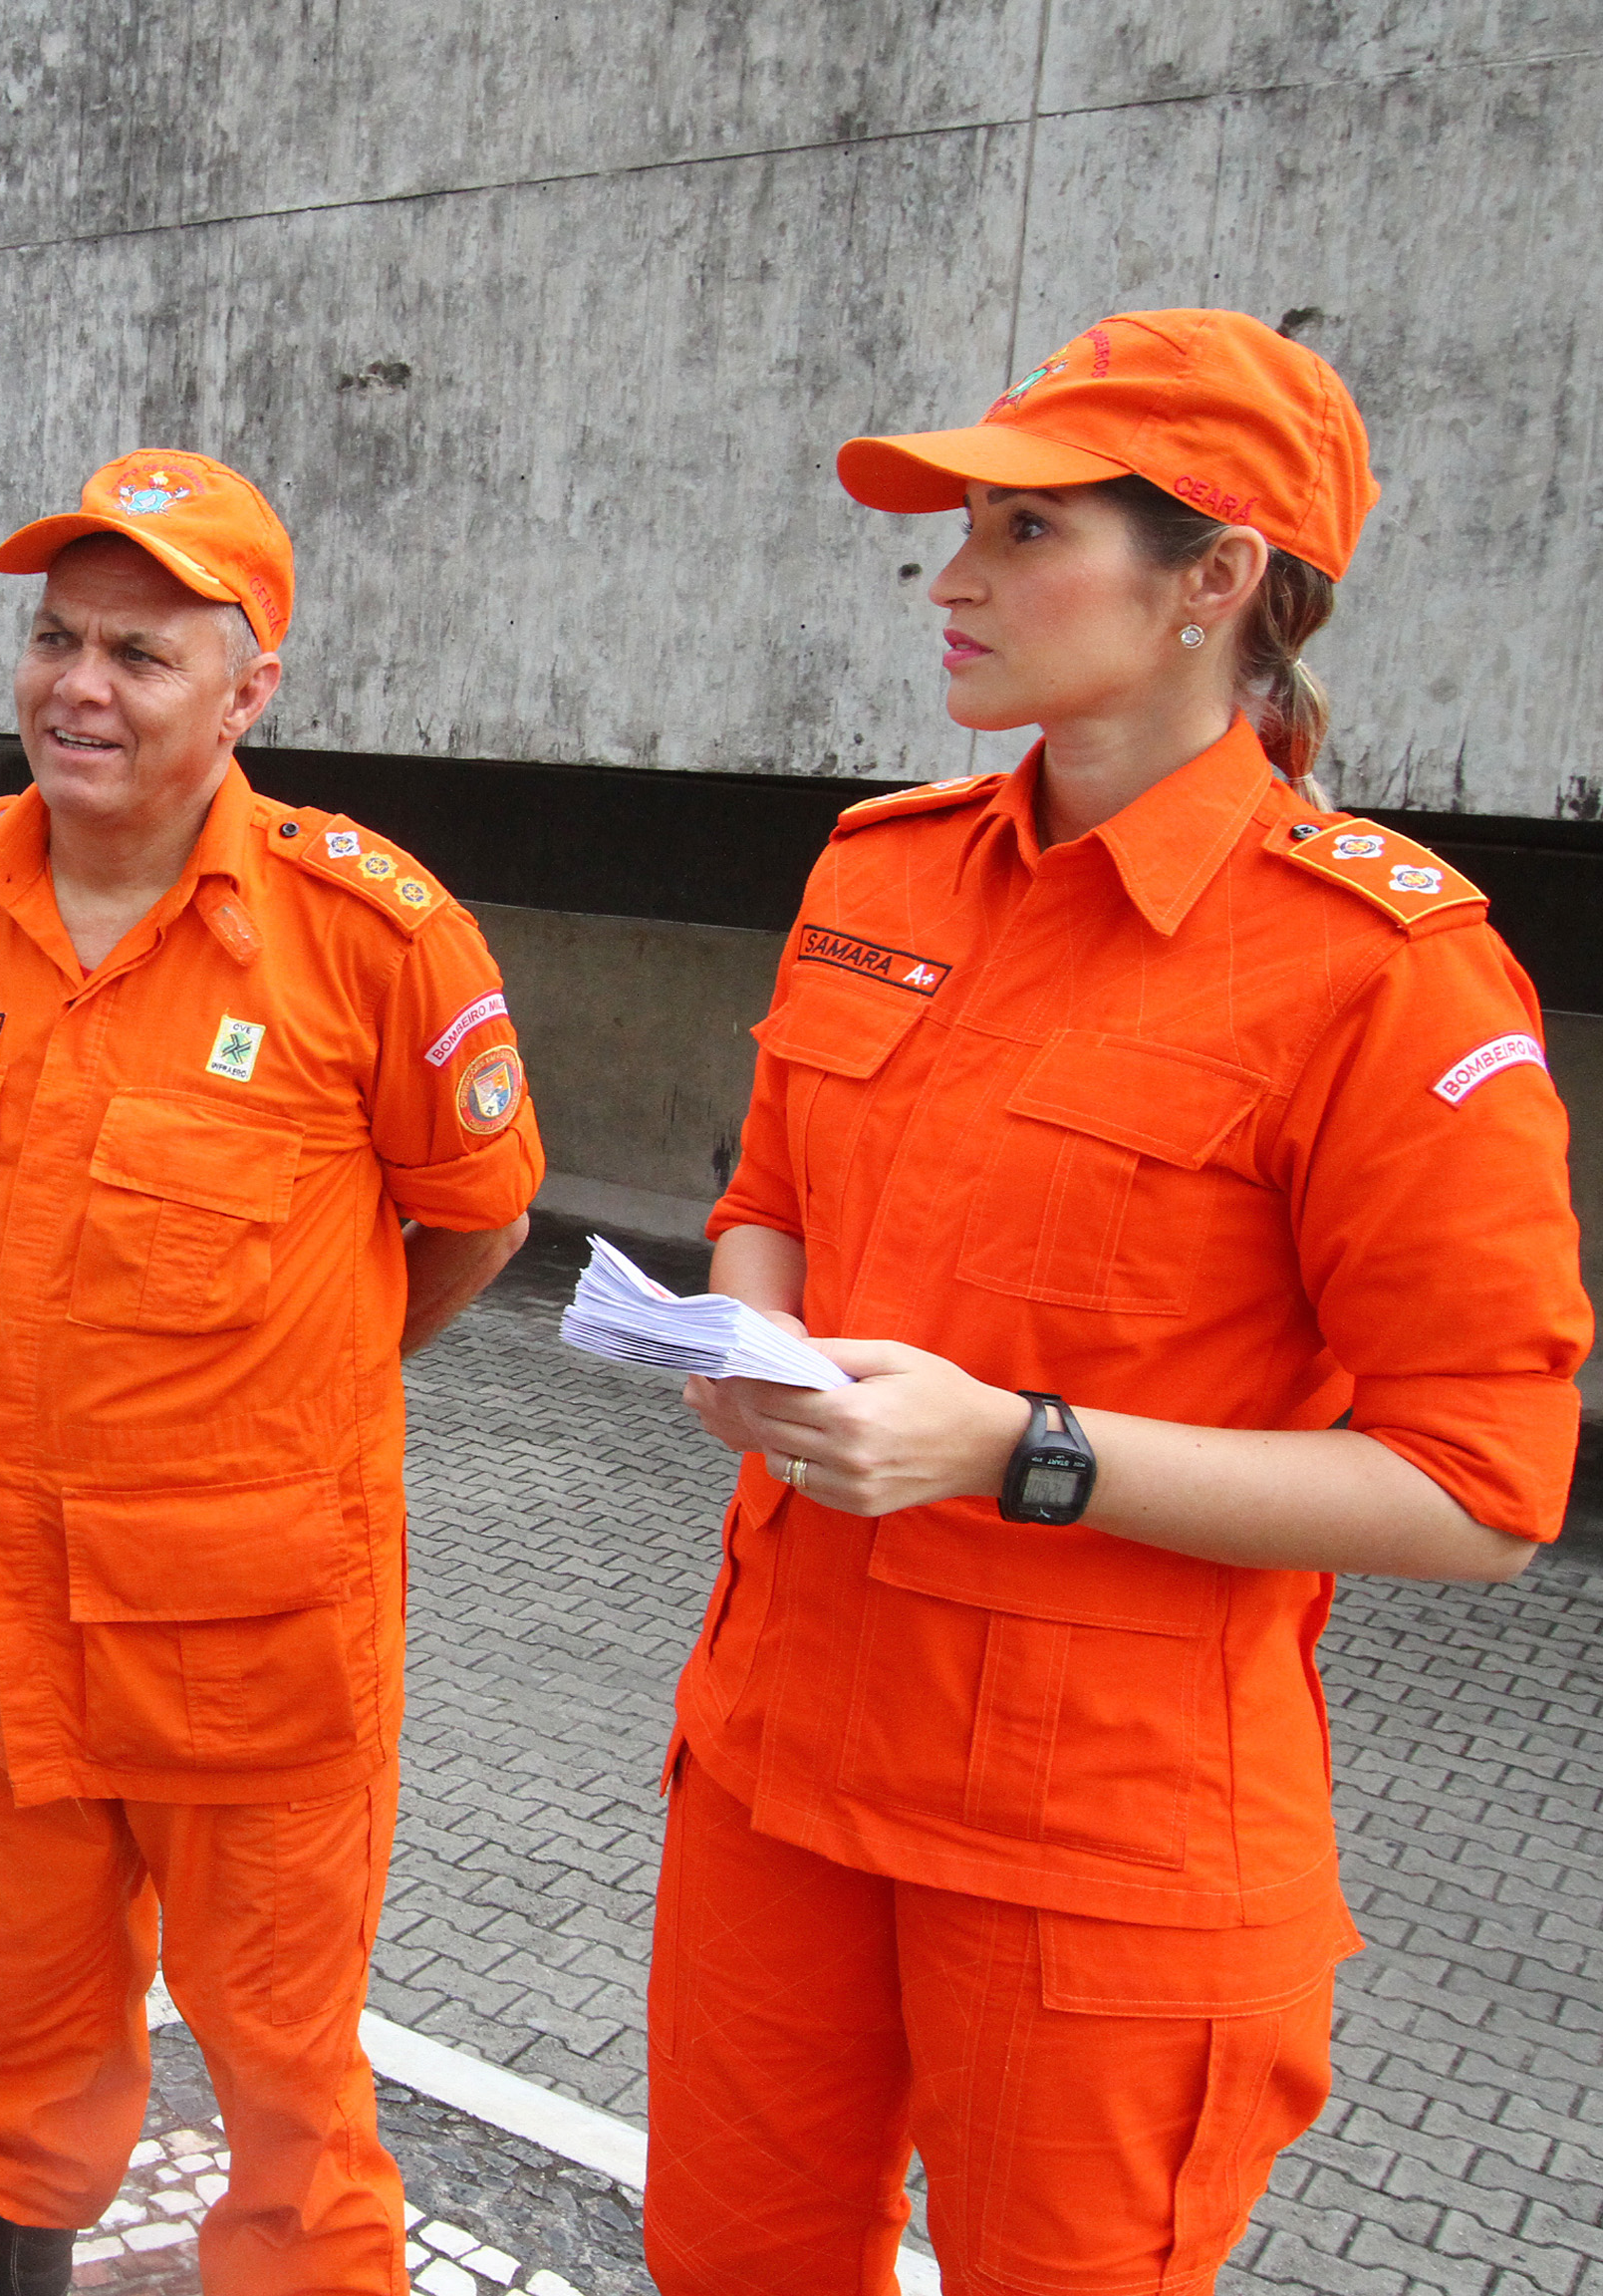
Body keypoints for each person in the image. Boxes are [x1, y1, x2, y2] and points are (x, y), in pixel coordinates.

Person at [645, 309, 1589, 2293]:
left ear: (1212, 580)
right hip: (781, 1766)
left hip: (1100, 1852)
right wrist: (750, 1339)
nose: (953, 580)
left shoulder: (1381, 974)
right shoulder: (883, 872)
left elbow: (1481, 1489)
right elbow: (770, 1197)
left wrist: (1020, 1450)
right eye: (960, 531)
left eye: (1023, 531)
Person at [0, 449, 542, 2296]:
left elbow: (479, 1217)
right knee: (15, 2021)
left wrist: (294, 1387)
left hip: (250, 1643)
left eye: (141, 654)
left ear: (247, 695)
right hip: (3, 1612)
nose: (78, 687)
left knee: (284, 2067)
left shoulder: (372, 937)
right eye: (56, 639)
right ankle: (3, 2260)